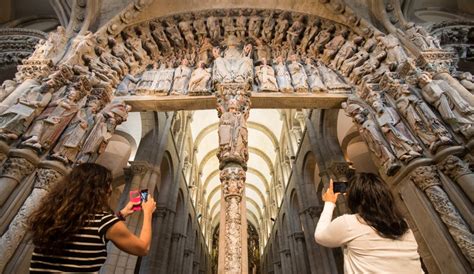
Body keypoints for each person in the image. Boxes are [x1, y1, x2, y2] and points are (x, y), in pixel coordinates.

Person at [28, 163, 156, 273]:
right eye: (109, 184)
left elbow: (89, 231)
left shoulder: (52, 216)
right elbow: (143, 248)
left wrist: (121, 215)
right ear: (101, 190)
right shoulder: (104, 222)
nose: (111, 189)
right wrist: (148, 212)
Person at [314, 173, 423, 273]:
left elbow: (319, 236)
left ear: (354, 199)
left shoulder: (349, 223)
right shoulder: (402, 223)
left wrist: (329, 202)